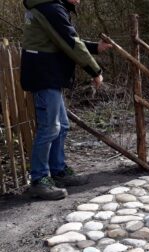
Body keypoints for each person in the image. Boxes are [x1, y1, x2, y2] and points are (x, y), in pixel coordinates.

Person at [21, 0, 111, 200]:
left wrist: (95, 47)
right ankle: (39, 179)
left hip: (50, 73)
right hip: (44, 75)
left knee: (61, 125)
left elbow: (64, 38)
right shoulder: (50, 7)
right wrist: (94, 70)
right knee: (50, 127)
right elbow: (70, 42)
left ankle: (58, 171)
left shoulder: (52, 6)